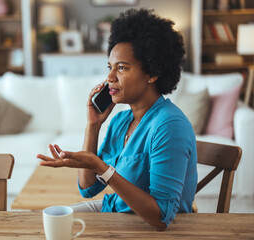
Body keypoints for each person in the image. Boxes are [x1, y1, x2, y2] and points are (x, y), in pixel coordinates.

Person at [37, 8, 197, 231]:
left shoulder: (169, 125)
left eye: (121, 68)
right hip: (116, 212)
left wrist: (102, 168)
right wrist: (93, 126)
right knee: (46, 225)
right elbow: (88, 187)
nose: (110, 77)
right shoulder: (121, 120)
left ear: (152, 73)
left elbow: (162, 217)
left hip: (151, 228)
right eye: (110, 67)